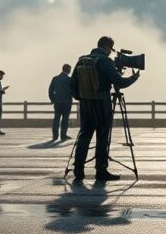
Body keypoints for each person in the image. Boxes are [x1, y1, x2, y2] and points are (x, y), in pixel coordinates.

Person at [72, 36, 140, 182]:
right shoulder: (104, 61)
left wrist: (82, 97)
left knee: (84, 135)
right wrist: (133, 78)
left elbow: (72, 84)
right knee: (102, 136)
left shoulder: (82, 60)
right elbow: (119, 82)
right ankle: (101, 170)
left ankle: (78, 169)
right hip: (102, 103)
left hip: (86, 104)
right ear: (108, 47)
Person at [48, 63, 73, 141]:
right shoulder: (69, 80)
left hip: (57, 101)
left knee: (56, 119)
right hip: (67, 102)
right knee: (65, 119)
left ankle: (55, 136)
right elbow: (72, 91)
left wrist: (52, 99)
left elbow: (50, 90)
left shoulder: (55, 78)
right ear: (68, 70)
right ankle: (63, 135)